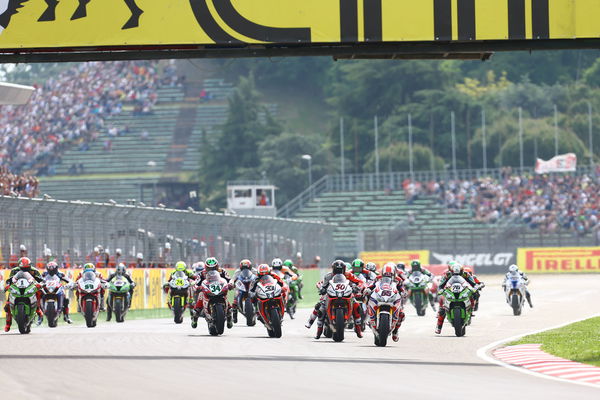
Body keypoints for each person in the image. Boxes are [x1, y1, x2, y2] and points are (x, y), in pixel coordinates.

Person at [305, 260, 366, 339]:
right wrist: (322, 289)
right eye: (337, 270)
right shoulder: (328, 276)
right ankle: (317, 329)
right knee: (320, 306)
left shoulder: (349, 275)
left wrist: (358, 287)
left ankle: (358, 329)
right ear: (333, 269)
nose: (339, 271)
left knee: (356, 305)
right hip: (331, 293)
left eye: (340, 270)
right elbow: (323, 285)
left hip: (346, 293)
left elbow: (360, 282)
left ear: (344, 269)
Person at [434, 263, 483, 334]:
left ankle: (471, 308)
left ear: (461, 271)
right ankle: (438, 327)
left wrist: (476, 287)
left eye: (459, 272)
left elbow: (473, 283)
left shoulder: (466, 274)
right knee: (443, 308)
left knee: (472, 294)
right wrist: (440, 289)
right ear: (451, 271)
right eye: (454, 273)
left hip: (463, 290)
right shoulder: (447, 275)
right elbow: (440, 285)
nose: (457, 274)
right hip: (450, 290)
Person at [365, 263, 407, 342]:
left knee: (401, 314)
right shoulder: (378, 278)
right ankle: (370, 318)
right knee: (369, 300)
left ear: (394, 273)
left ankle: (395, 332)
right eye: (386, 274)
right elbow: (372, 285)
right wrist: (368, 289)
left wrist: (403, 292)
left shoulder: (398, 280)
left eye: (390, 274)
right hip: (380, 295)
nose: (388, 276)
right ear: (382, 273)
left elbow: (401, 288)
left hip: (392, 297)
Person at [3, 257, 44, 332]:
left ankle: (38, 308)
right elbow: (9, 280)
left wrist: (40, 284)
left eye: (27, 268)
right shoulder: (14, 270)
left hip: (31, 287)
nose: (25, 270)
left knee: (40, 292)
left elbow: (41, 280)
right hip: (18, 287)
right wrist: (8, 285)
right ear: (19, 266)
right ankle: (8, 324)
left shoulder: (34, 271)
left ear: (30, 266)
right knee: (8, 304)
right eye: (23, 268)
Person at [191, 257, 233, 329]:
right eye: (210, 268)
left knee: (225, 297)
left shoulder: (222, 271)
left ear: (217, 266)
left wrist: (231, 284)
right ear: (206, 267)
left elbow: (229, 279)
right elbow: (196, 283)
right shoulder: (202, 273)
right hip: (208, 288)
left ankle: (229, 315)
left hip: (219, 288)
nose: (212, 270)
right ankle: (195, 316)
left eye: (213, 268)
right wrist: (197, 288)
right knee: (201, 295)